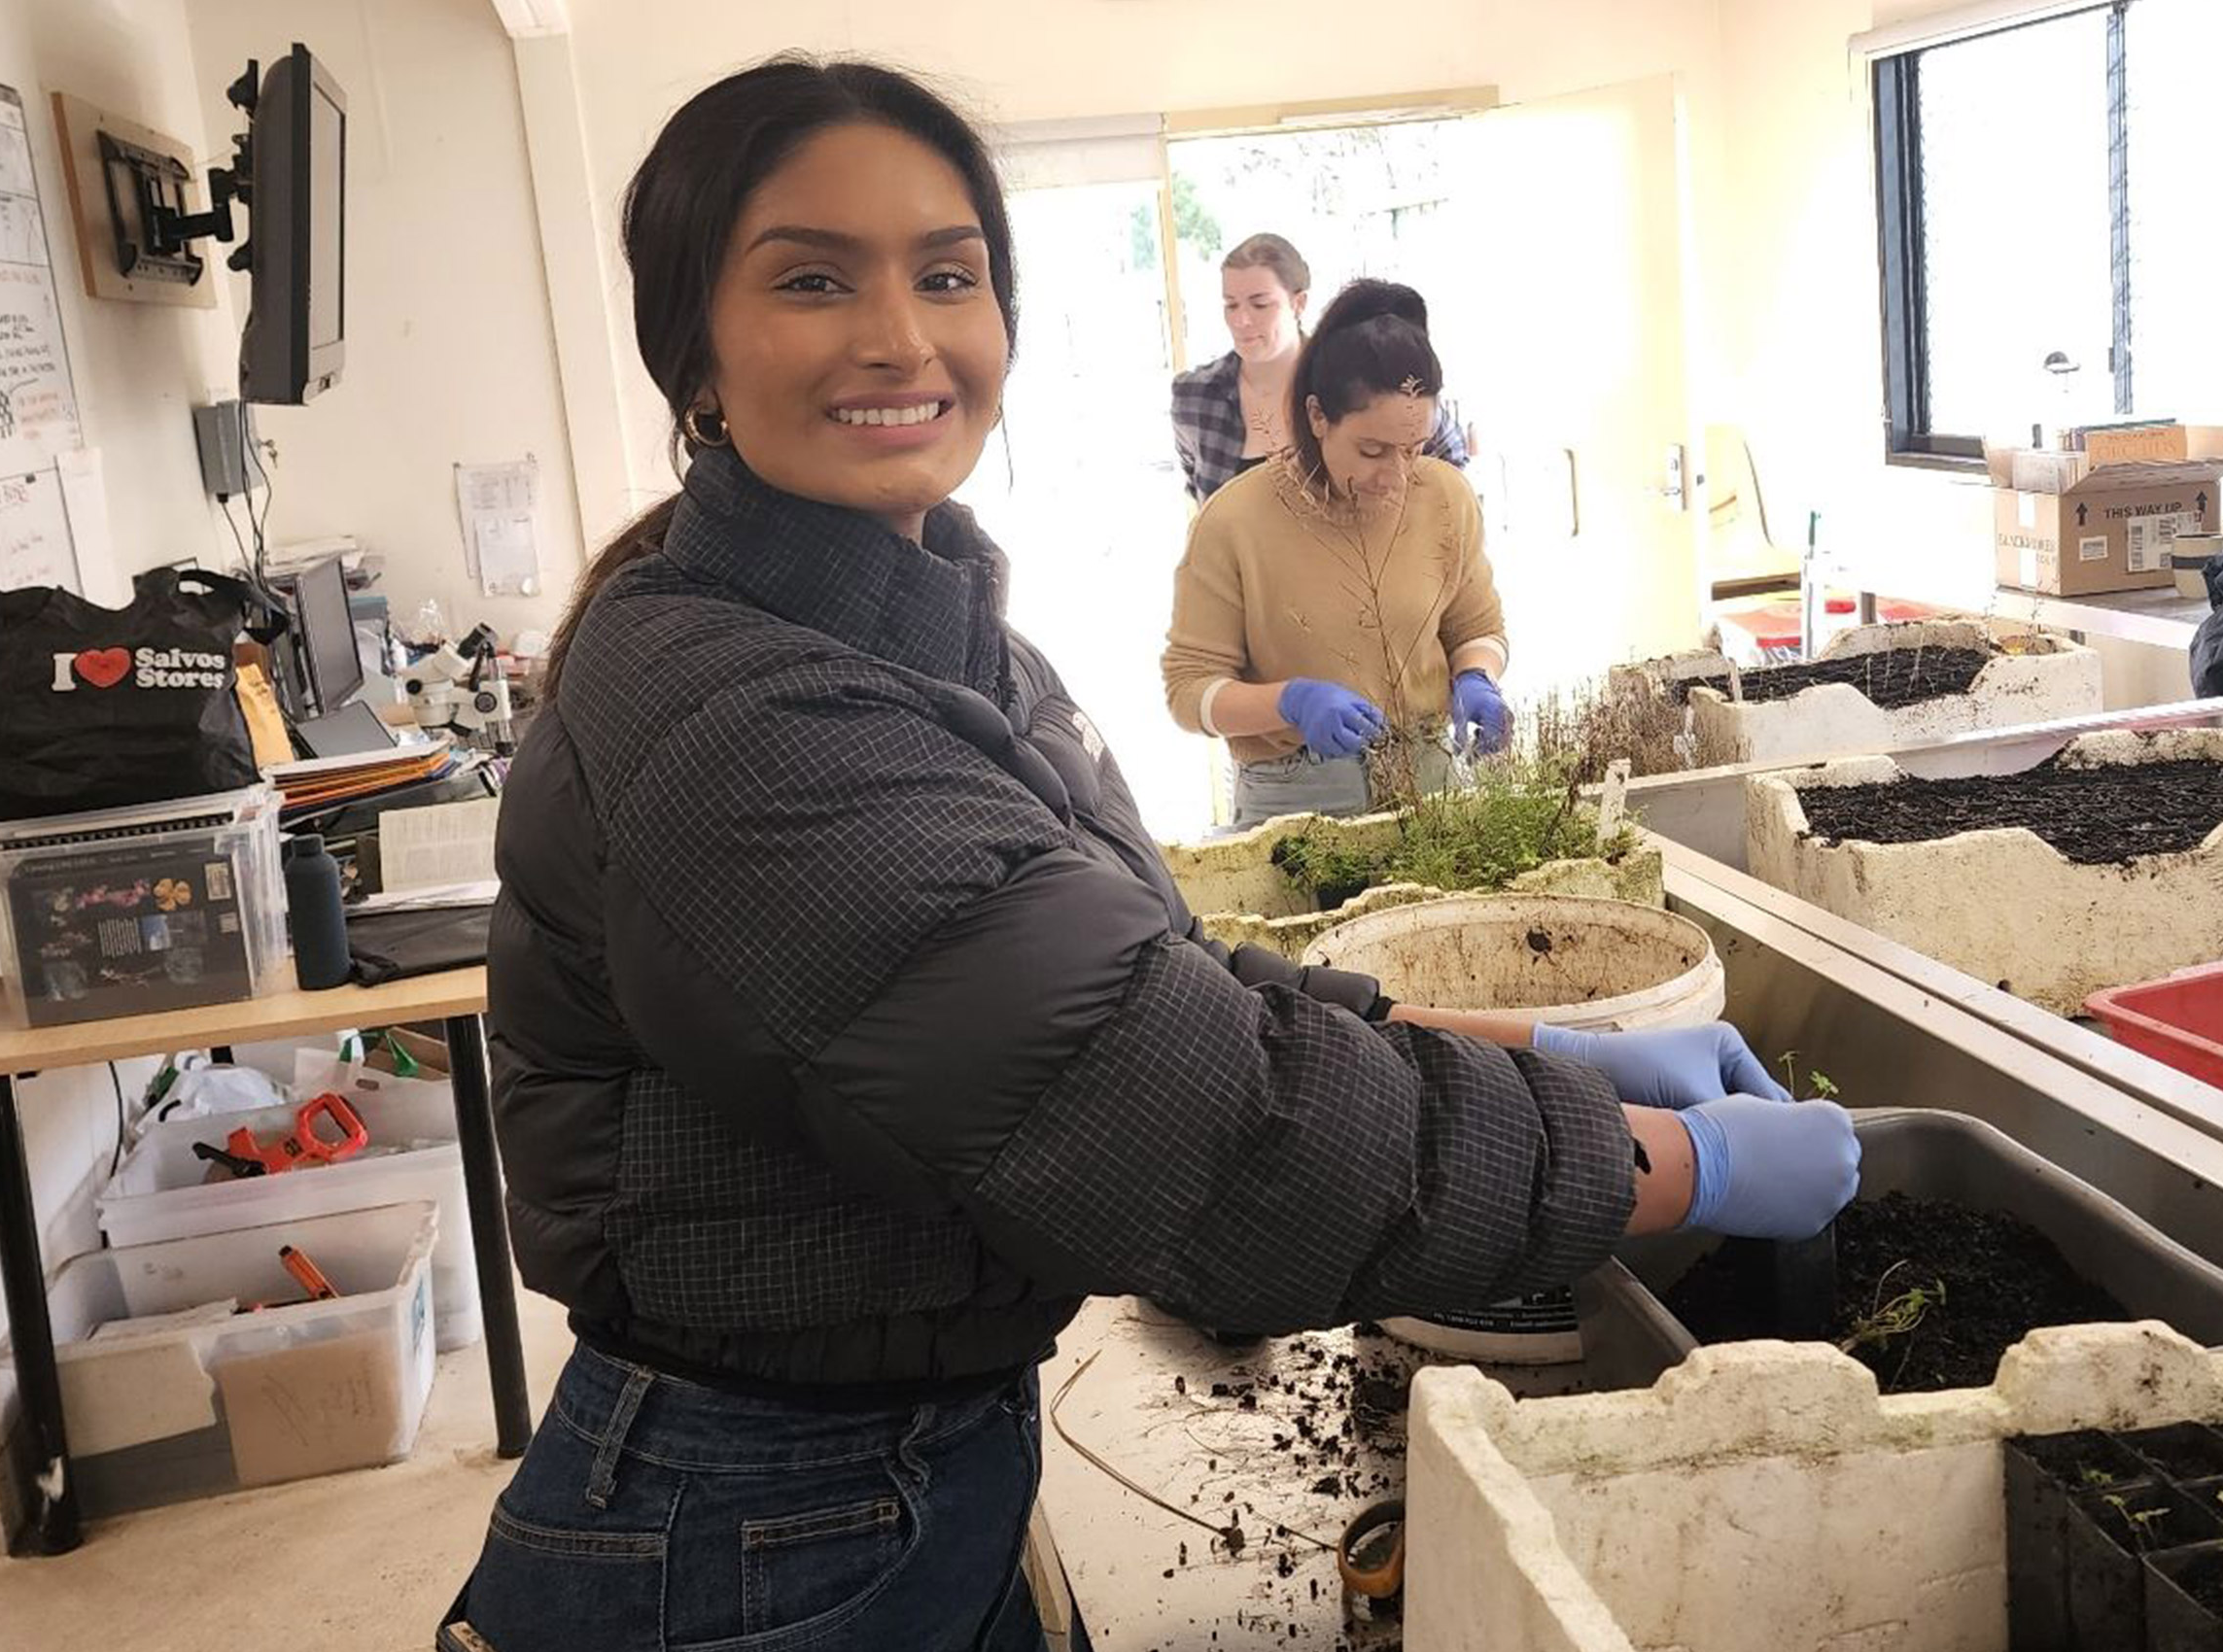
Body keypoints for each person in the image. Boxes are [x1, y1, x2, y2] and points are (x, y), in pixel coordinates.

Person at [444, 55, 1858, 1652]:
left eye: (948, 274)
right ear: (693, 344)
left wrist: (1549, 1059)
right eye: (813, 279)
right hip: (758, 1528)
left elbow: (1155, 994)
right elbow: (1187, 1117)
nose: (902, 336)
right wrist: (1668, 1169)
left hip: (873, 1467)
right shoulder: (750, 723)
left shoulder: (936, 633)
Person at [1164, 279, 1508, 830]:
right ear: (1318, 416)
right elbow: (1190, 691)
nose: (1395, 477)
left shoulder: (1444, 497)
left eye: (1413, 450)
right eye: (1371, 451)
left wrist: (1478, 677)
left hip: (1432, 799)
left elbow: (1477, 629)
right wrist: (1288, 702)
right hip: (1296, 812)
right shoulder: (1235, 521)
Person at [1170, 233, 1469, 503]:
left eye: (1260, 305)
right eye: (1231, 305)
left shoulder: (1354, 375)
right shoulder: (1195, 397)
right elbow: (1200, 496)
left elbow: (1448, 457)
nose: (1242, 320)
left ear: (1298, 303)